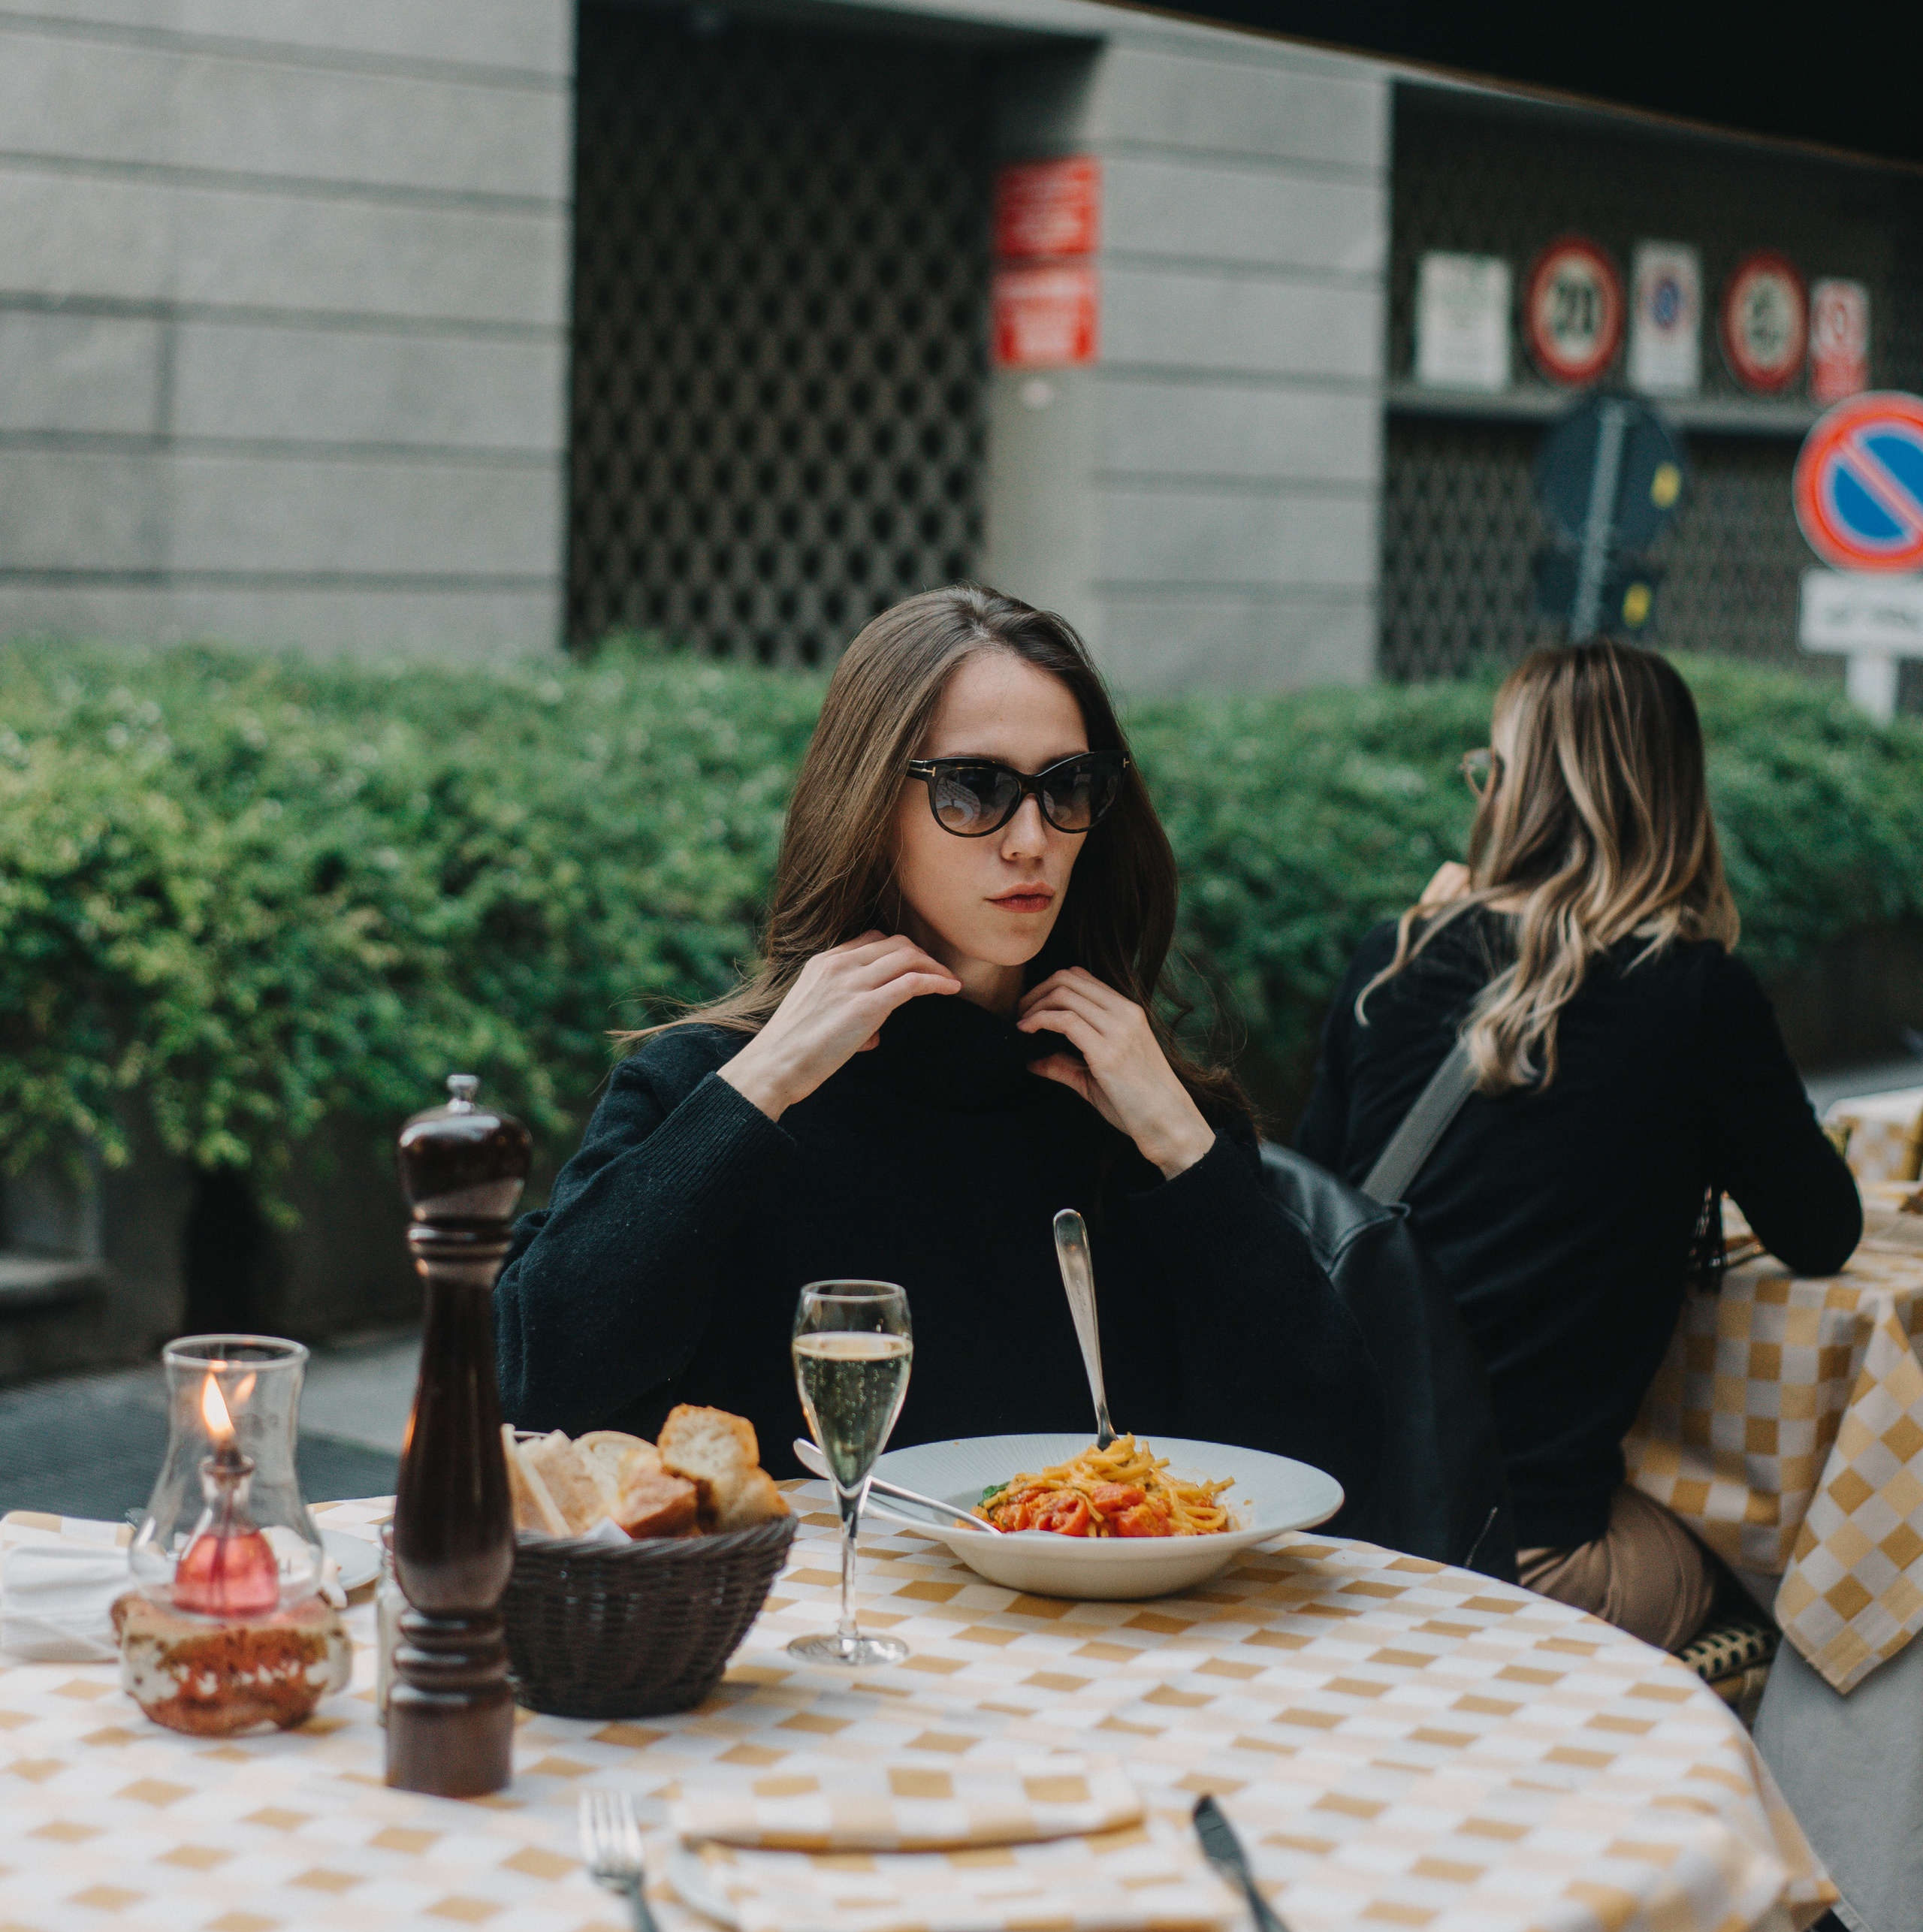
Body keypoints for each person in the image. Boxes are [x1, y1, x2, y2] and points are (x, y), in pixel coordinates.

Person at [497, 585, 1383, 1496]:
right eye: (974, 788)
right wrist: (757, 1086)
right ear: (868, 805)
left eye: (1067, 785)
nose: (1031, 840)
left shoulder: (1139, 1110)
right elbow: (534, 1393)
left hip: (1101, 1592)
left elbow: (1333, 1464)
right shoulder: (712, 1085)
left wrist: (1185, 1149)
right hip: (807, 1592)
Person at [1293, 638, 1861, 1651]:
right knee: (1773, 1553)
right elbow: (1822, 1230)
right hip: (1521, 1563)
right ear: (1672, 798)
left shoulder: (1392, 954)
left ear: (1513, 794)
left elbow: (1318, 1216)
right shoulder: (1694, 992)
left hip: (1343, 1526)